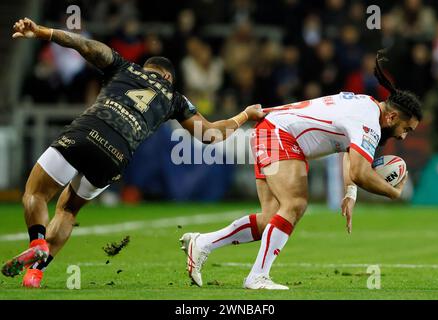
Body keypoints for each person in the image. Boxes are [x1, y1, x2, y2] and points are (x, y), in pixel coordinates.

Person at [2, 18, 265, 288]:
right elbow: (210, 135)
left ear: (147, 69)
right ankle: (35, 274)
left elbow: (84, 45)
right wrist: (245, 114)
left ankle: (37, 242)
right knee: (68, 210)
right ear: (168, 78)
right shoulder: (175, 98)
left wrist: (42, 32)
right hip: (115, 156)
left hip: (86, 132)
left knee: (36, 193)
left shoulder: (124, 67)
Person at [180, 51, 422, 290]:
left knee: (270, 218)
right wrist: (394, 193)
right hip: (280, 135)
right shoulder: (369, 120)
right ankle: (257, 277)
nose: (402, 136)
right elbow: (360, 171)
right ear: (391, 117)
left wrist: (350, 191)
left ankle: (203, 243)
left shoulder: (367, 106)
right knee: (295, 203)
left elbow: (352, 153)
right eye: (406, 129)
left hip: (272, 131)